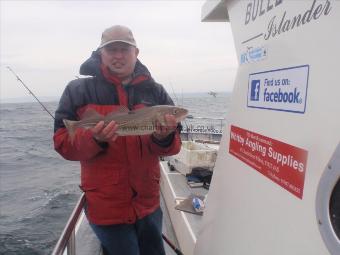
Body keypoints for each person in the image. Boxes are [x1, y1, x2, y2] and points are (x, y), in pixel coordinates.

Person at [53, 25, 182, 255]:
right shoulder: (78, 90)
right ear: (101, 53)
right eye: (112, 49)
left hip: (148, 204)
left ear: (136, 52)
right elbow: (63, 144)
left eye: (125, 49)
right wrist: (95, 139)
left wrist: (164, 137)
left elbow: (174, 146)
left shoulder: (156, 92)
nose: (119, 55)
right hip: (107, 208)